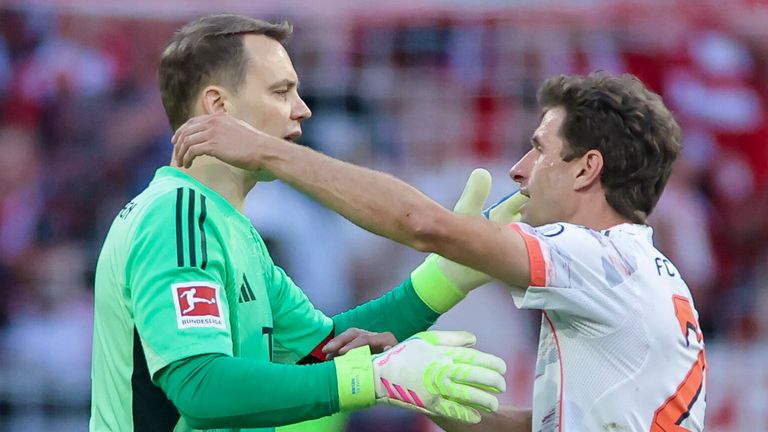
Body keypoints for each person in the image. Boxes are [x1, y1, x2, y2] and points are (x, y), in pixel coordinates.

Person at [173, 71, 707, 431]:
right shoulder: (642, 272)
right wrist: (402, 379)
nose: (519, 168)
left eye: (540, 149)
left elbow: (424, 226)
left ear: (588, 168)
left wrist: (268, 151)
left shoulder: (594, 257)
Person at [89, 14, 511, 432]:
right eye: (281, 91)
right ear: (218, 106)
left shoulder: (231, 228)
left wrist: (446, 277)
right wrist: (375, 378)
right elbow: (200, 386)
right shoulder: (177, 214)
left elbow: (324, 351)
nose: (302, 110)